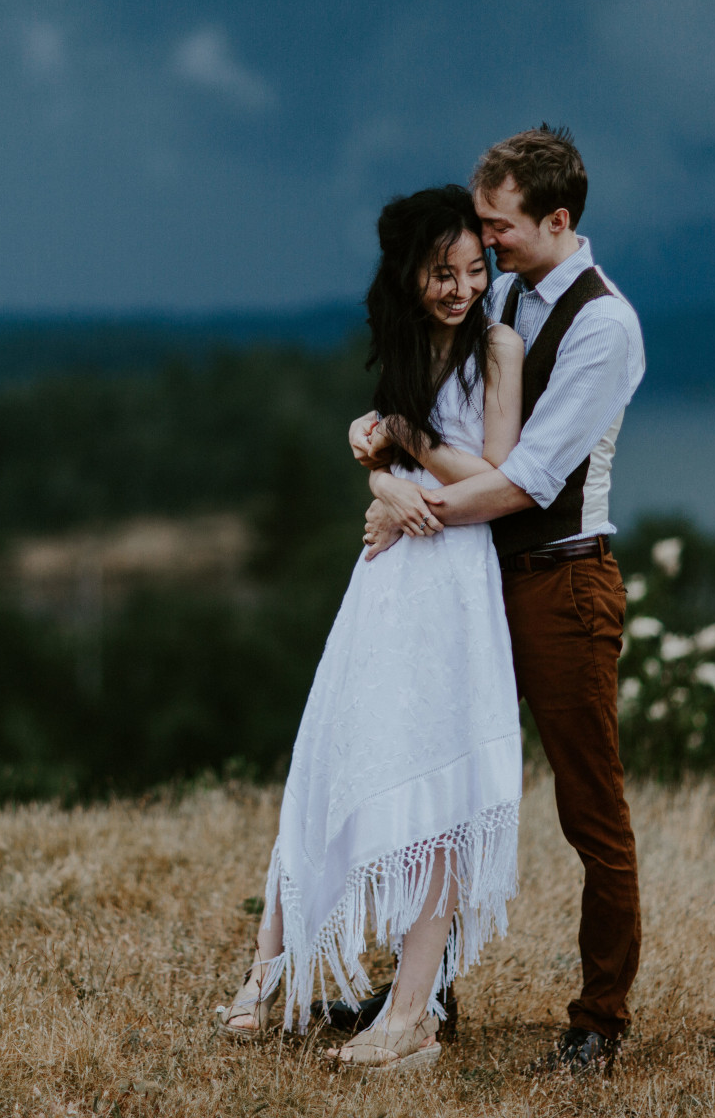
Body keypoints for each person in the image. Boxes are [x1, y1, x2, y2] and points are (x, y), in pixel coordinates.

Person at [353, 125, 647, 1077]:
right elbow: (429, 411)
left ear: (556, 220)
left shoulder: (605, 326)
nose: (482, 246)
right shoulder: (506, 294)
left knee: (589, 809)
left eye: (498, 225)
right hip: (479, 583)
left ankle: (598, 1022)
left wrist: (408, 505)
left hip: (563, 582)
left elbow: (524, 481)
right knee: (441, 784)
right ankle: (421, 993)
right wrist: (383, 454)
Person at [216, 185, 526, 1072]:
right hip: (388, 578)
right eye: (442, 273)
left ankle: (415, 1005)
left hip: (457, 580)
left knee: (435, 785)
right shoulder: (402, 344)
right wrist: (383, 485)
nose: (461, 288)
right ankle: (272, 966)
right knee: (333, 752)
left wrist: (400, 444)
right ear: (409, 273)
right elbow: (400, 469)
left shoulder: (496, 345)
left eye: (474, 269)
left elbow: (492, 474)